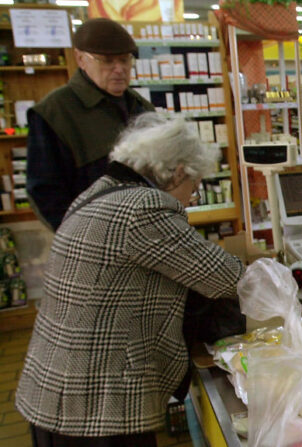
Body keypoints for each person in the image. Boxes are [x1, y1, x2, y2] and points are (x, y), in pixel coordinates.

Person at [16, 113, 245, 447]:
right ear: (178, 172)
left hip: (55, 389)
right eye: (193, 191)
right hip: (98, 407)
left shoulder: (99, 192)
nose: (189, 203)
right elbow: (230, 278)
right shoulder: (144, 206)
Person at [26, 17, 154, 231]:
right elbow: (45, 192)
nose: (119, 69)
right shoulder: (54, 112)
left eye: (125, 60)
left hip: (144, 234)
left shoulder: (142, 108)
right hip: (92, 242)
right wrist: (78, 238)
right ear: (80, 59)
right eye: (107, 61)